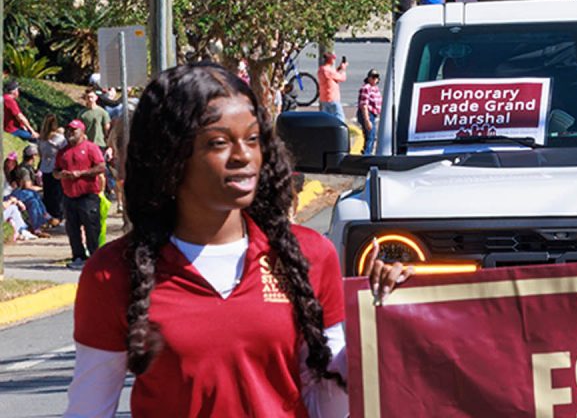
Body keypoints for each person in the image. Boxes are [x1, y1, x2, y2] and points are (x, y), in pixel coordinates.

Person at [66, 62, 411, 417]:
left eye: (252, 139)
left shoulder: (308, 254)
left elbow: (329, 404)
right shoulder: (112, 273)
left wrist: (374, 325)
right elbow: (89, 409)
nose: (244, 156)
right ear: (170, 156)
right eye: (219, 142)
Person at [55, 118, 106, 269]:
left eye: (74, 130)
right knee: (72, 228)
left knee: (91, 228)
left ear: (82, 132)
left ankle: (95, 258)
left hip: (88, 196)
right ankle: (78, 256)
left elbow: (101, 167)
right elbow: (55, 170)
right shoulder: (63, 151)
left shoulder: (91, 148)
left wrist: (82, 173)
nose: (70, 133)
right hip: (69, 196)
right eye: (69, 130)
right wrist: (59, 175)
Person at [38, 114, 67, 223]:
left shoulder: (41, 138)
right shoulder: (58, 138)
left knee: (48, 192)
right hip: (56, 166)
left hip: (45, 166)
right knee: (58, 193)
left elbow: (40, 153)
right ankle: (58, 215)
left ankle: (50, 215)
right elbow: (65, 149)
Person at [357, 69, 383, 156]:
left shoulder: (375, 88)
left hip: (373, 114)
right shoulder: (366, 88)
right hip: (367, 114)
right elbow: (364, 105)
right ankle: (367, 155)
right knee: (370, 137)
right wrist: (367, 120)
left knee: (370, 136)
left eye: (377, 77)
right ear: (369, 78)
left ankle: (366, 153)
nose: (375, 79)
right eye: (373, 77)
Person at [316, 52, 348, 123]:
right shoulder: (328, 71)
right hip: (332, 99)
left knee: (327, 120)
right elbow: (342, 78)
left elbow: (332, 75)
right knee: (340, 119)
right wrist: (343, 69)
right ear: (331, 60)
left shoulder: (321, 70)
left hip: (324, 99)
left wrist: (339, 68)